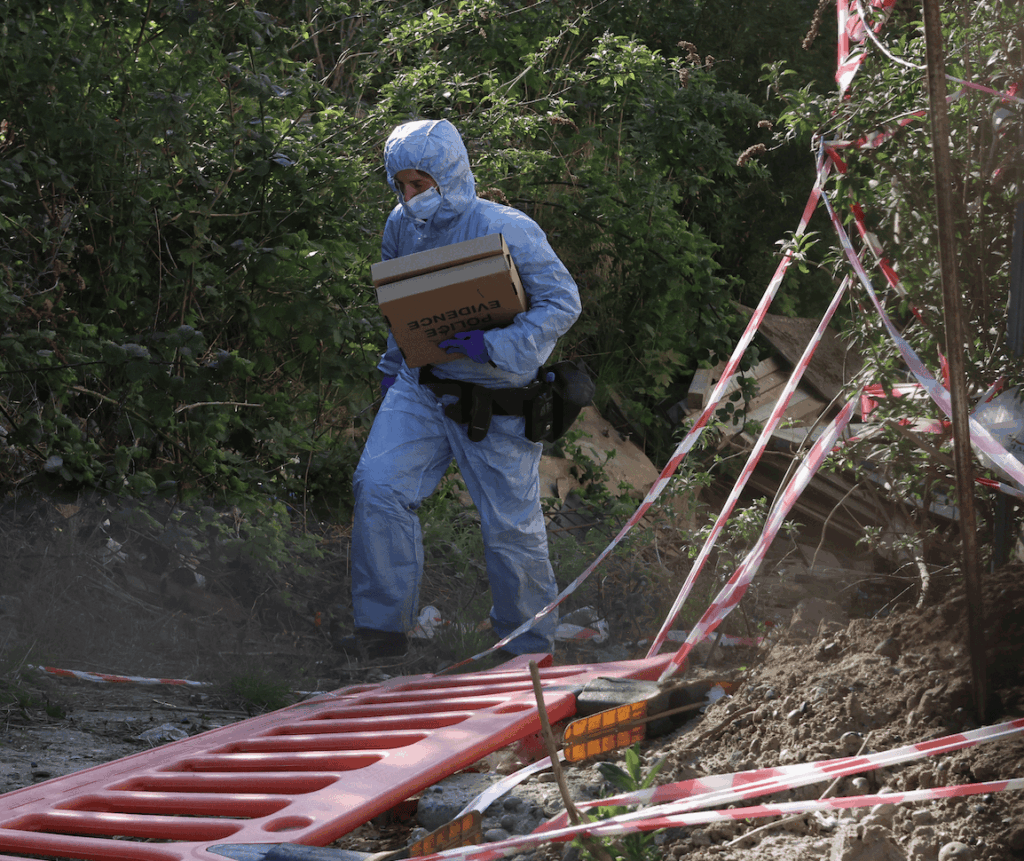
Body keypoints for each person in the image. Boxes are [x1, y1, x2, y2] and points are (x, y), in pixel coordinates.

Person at [343, 119, 581, 661]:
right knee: (378, 485)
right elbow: (399, 303)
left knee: (508, 526)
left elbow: (562, 302)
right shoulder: (401, 226)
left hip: (496, 397)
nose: (409, 198)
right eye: (400, 186)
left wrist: (495, 344)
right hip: (422, 385)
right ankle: (382, 631)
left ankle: (527, 645)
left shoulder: (506, 228)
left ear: (448, 174)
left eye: (418, 184)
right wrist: (391, 367)